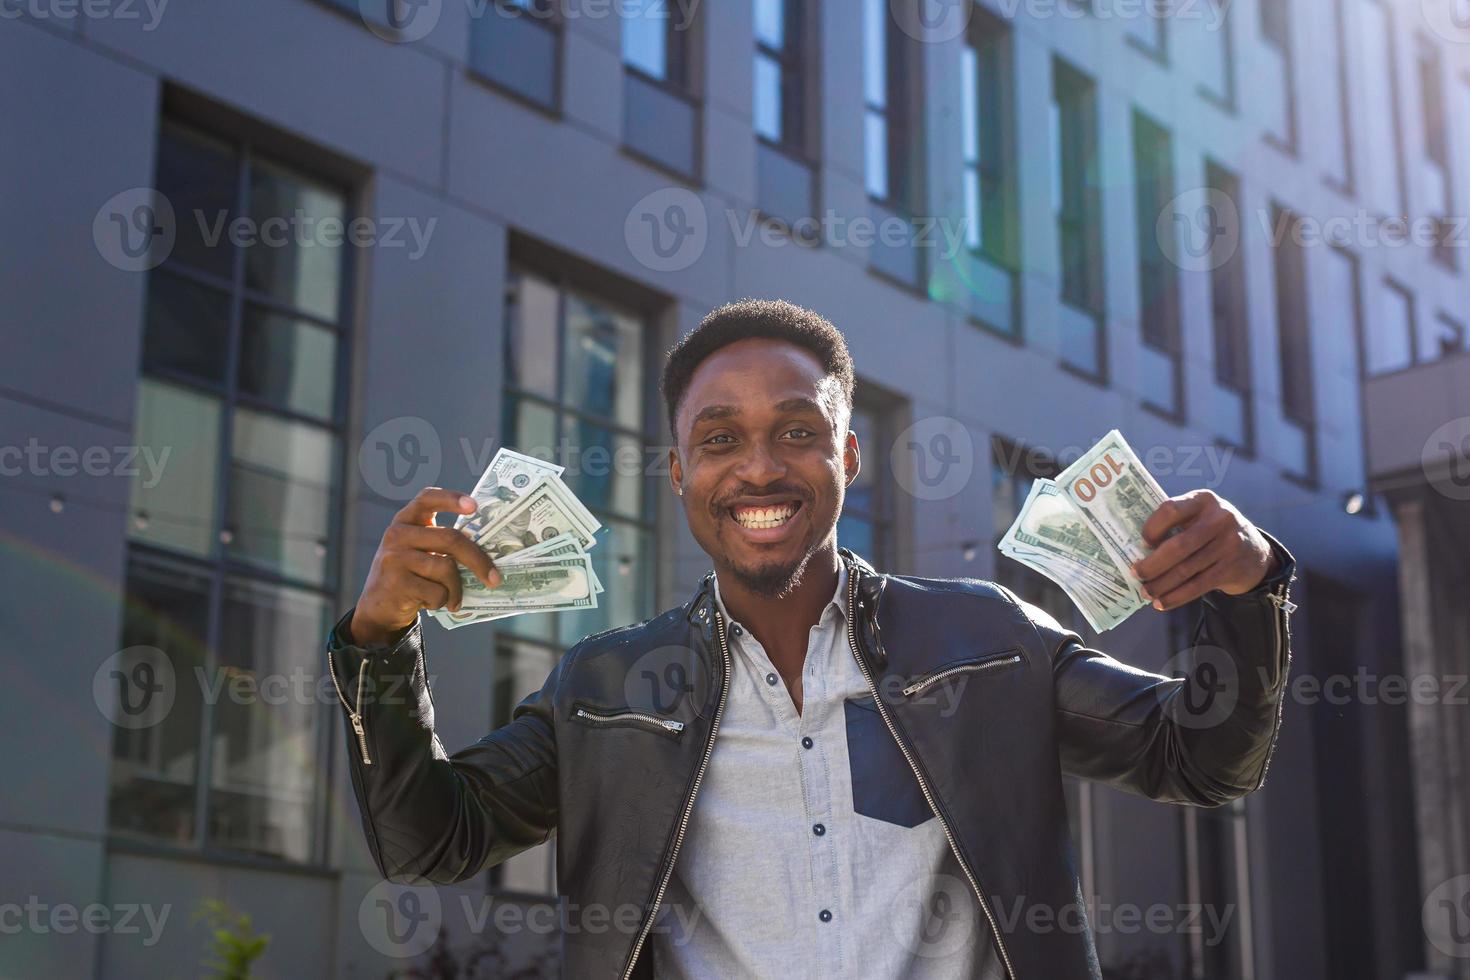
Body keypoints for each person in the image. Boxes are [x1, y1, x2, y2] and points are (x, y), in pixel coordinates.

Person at [327, 300, 1296, 979]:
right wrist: (377, 640)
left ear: (848, 455)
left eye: (796, 431)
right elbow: (431, 840)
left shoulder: (990, 637)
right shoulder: (606, 685)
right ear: (678, 470)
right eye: (719, 439)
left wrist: (1251, 587)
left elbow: (1202, 759)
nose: (757, 467)